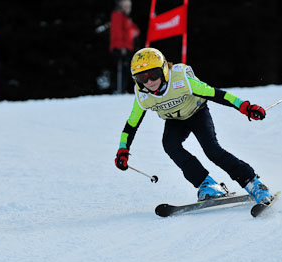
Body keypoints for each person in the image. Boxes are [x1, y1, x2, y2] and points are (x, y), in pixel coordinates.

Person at [114, 47, 273, 205]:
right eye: (142, 78)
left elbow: (216, 94)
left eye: (153, 75)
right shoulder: (142, 95)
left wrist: (245, 107)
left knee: (212, 150)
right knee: (170, 145)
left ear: (164, 70)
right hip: (175, 120)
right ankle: (208, 184)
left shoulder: (180, 80)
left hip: (197, 113)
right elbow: (131, 125)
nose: (149, 82)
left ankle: (252, 182)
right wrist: (123, 150)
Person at [110, 0, 140, 94]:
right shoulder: (117, 15)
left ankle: (122, 89)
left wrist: (134, 32)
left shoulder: (126, 18)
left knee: (126, 69)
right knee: (121, 69)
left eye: (129, 6)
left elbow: (134, 29)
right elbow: (117, 32)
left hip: (127, 47)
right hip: (120, 47)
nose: (128, 8)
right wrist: (121, 47)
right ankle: (118, 89)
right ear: (120, 6)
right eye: (125, 6)